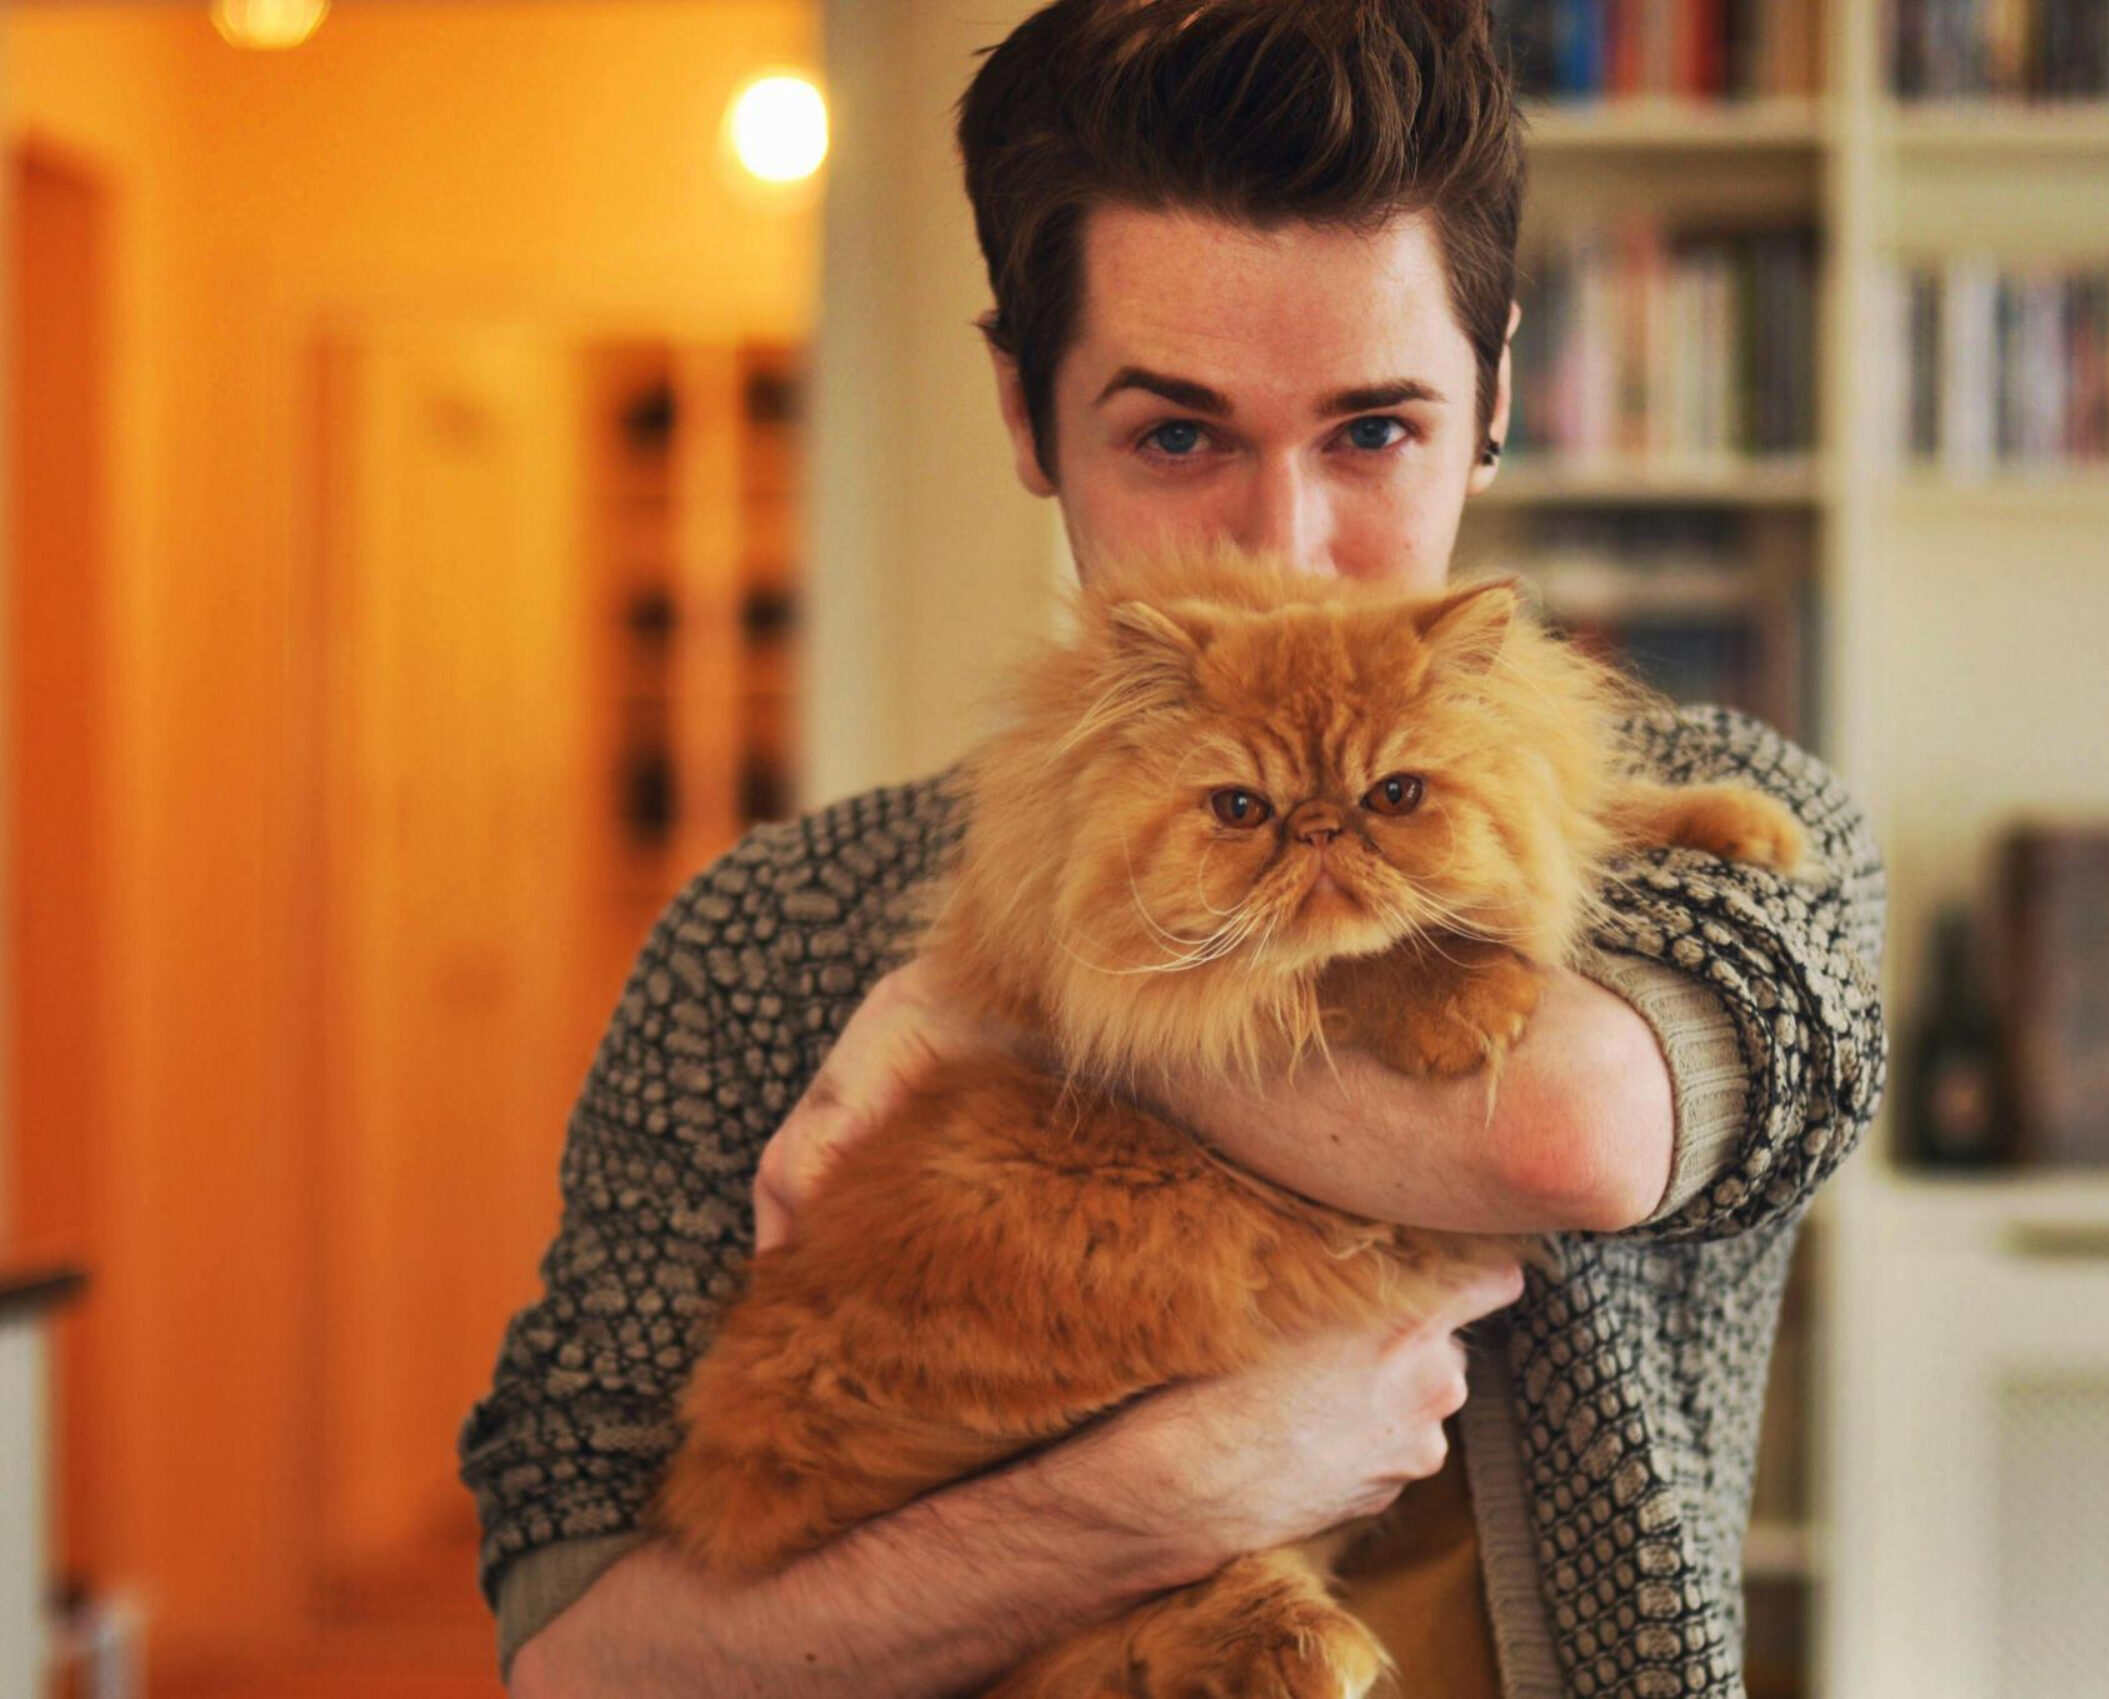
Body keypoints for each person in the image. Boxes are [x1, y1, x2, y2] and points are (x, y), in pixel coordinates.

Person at [461, 2, 1886, 1695]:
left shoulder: (1734, 824)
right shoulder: (763, 941)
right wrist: (1148, 1505)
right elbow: (579, 1659)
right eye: (1179, 436)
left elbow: (1571, 1128)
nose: (1280, 542)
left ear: (1495, 403)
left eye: (1374, 432)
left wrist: (1000, 1006)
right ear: (1025, 412)